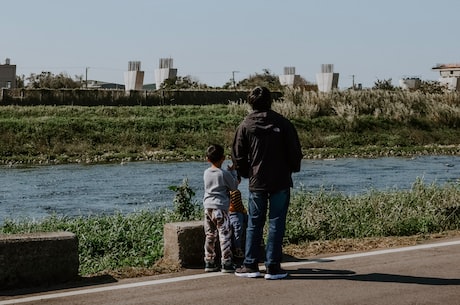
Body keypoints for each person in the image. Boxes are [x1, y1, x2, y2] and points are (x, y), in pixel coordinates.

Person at [232, 86, 302, 280]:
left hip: (257, 181)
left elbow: (238, 155)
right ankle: (273, 267)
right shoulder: (283, 123)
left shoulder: (245, 125)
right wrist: (291, 169)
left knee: (255, 223)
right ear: (271, 101)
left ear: (250, 102)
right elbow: (295, 153)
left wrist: (246, 173)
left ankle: (250, 265)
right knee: (277, 222)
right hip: (280, 180)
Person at [203, 144, 239, 273]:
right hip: (220, 208)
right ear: (223, 158)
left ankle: (209, 261)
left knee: (210, 235)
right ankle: (226, 262)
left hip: (208, 207)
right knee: (224, 234)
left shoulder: (206, 172)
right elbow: (234, 186)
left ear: (207, 159)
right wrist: (233, 171)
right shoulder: (223, 173)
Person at [228, 174, 247, 259]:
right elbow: (238, 206)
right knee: (238, 227)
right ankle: (237, 248)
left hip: (230, 212)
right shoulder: (235, 191)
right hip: (234, 213)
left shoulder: (227, 190)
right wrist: (243, 211)